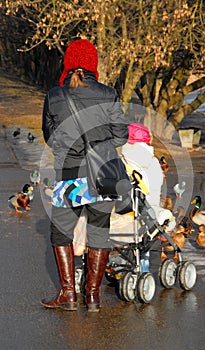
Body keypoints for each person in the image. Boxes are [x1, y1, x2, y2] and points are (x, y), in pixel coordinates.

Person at [41, 39, 128, 312]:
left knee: (61, 232)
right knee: (99, 232)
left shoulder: (55, 95)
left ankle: (67, 293)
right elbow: (121, 135)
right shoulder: (108, 93)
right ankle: (92, 296)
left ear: (68, 63)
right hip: (103, 175)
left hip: (69, 174)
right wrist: (99, 144)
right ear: (93, 64)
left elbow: (49, 135)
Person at [120, 123, 176, 271]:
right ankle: (142, 270)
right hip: (144, 212)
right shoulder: (151, 162)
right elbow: (155, 190)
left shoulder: (120, 160)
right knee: (145, 237)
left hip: (121, 212)